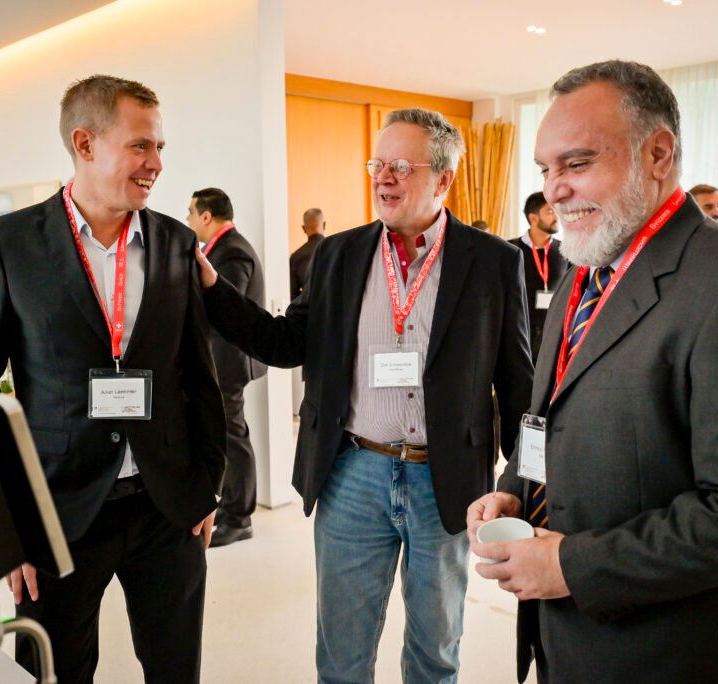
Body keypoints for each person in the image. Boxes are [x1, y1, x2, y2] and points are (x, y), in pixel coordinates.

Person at [467, 60, 718, 683]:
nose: (554, 191)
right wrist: (515, 486)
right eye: (545, 170)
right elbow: (551, 414)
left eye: (577, 164)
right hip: (563, 639)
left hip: (666, 653)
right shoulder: (584, 268)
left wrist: (571, 566)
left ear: (658, 154)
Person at [196, 107, 533, 683]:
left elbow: (517, 380)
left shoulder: (494, 260)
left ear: (444, 178)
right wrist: (210, 285)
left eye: (402, 166)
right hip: (353, 472)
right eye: (378, 165)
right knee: (342, 654)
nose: (384, 178)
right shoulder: (338, 255)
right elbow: (284, 341)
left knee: (436, 651)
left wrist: (520, 485)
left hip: (447, 479)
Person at [0, 75, 226, 683]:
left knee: (175, 669)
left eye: (160, 147)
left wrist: (206, 485)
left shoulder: (176, 243)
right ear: (84, 143)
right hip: (56, 514)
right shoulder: (8, 244)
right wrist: (8, 531)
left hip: (167, 507)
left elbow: (198, 373)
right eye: (141, 146)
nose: (157, 164)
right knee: (56, 672)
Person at [186, 187, 266, 547]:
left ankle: (239, 517)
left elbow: (226, 307)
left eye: (191, 212)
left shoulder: (232, 250)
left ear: (206, 216)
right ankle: (231, 507)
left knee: (233, 437)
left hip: (230, 361)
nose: (188, 219)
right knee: (230, 434)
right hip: (223, 358)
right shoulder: (221, 247)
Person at [508, 193, 571, 361]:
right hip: (518, 334)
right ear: (533, 218)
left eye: (556, 211)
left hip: (554, 335)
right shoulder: (510, 250)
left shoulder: (566, 251)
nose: (556, 217)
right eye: (550, 211)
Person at [290, 207, 325, 299]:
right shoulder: (336, 250)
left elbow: (293, 295)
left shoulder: (296, 257)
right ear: (324, 225)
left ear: (304, 228)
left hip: (310, 306)